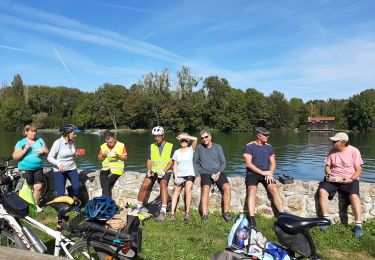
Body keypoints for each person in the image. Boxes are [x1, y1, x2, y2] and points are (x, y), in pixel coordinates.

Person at [318, 132, 364, 238]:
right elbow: (327, 167)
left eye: (335, 141)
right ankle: (326, 219)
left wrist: (351, 179)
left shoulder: (354, 151)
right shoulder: (332, 151)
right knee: (322, 191)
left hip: (349, 178)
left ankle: (358, 225)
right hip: (334, 179)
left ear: (343, 142)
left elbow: (358, 170)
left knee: (354, 196)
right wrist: (329, 174)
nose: (332, 142)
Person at [243, 127, 284, 227]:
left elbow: (273, 163)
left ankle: (282, 215)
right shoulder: (249, 147)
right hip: (253, 173)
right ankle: (251, 218)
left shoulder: (269, 147)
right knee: (252, 189)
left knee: (274, 188)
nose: (267, 136)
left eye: (267, 135)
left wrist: (270, 172)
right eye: (265, 135)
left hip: (266, 173)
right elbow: (248, 164)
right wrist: (262, 172)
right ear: (258, 136)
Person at [136, 126, 174, 221]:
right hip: (154, 170)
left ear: (163, 136)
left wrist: (164, 171)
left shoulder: (170, 146)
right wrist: (149, 170)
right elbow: (149, 160)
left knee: (163, 184)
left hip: (165, 171)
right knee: (145, 183)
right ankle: (139, 206)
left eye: (159, 136)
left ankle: (163, 210)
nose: (157, 138)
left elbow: (172, 161)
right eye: (155, 136)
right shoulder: (152, 146)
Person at [194, 130, 231, 222]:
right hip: (205, 173)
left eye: (206, 137)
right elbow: (195, 163)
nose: (204, 139)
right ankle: (205, 215)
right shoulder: (199, 147)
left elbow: (223, 163)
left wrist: (219, 172)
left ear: (210, 137)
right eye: (202, 138)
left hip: (217, 172)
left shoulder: (218, 147)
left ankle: (226, 213)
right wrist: (197, 175)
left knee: (227, 187)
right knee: (205, 189)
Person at [47, 124, 85, 211]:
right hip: (59, 170)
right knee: (60, 192)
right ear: (67, 133)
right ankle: (60, 209)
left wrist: (76, 154)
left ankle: (75, 205)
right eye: (74, 133)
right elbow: (49, 157)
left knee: (76, 188)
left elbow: (71, 154)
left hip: (72, 168)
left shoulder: (72, 142)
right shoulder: (58, 143)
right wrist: (59, 164)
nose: (75, 135)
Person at [12, 124, 49, 212]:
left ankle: (34, 205)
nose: (33, 133)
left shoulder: (40, 140)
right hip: (25, 168)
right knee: (27, 188)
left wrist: (43, 152)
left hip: (38, 167)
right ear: (26, 132)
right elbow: (15, 157)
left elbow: (47, 152)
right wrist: (24, 150)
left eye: (35, 131)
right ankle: (25, 206)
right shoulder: (21, 142)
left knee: (39, 186)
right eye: (31, 131)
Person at [163, 133, 197, 222]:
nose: (184, 141)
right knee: (176, 191)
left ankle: (187, 212)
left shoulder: (191, 149)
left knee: (188, 190)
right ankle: (172, 213)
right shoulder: (176, 152)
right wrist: (176, 176)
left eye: (185, 140)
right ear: (179, 141)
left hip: (189, 174)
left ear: (188, 141)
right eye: (182, 140)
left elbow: (196, 139)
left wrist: (185, 136)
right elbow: (175, 165)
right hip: (179, 174)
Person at [98, 131, 127, 197]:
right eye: (107, 142)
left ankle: (105, 200)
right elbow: (99, 158)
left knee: (106, 183)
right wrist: (103, 155)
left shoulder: (121, 145)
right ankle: (106, 200)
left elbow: (125, 158)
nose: (109, 144)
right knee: (102, 176)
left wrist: (118, 156)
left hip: (117, 170)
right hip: (106, 168)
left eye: (111, 142)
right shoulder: (103, 146)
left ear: (114, 139)